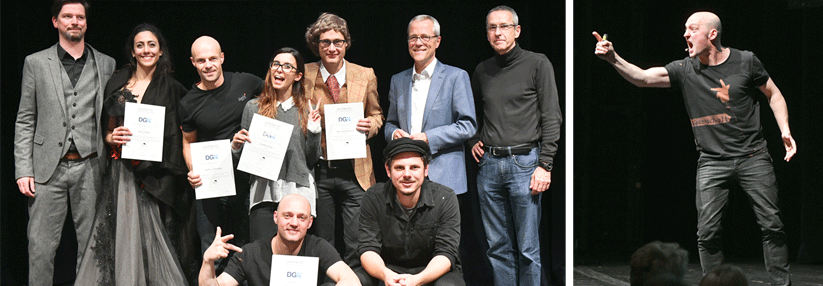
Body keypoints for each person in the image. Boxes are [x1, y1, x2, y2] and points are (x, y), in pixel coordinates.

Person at [593, 11, 794, 286]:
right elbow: (643, 77)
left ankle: (781, 284)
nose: (685, 34)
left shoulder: (746, 61)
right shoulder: (685, 69)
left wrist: (784, 130)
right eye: (685, 29)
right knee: (707, 233)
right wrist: (613, 58)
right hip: (712, 160)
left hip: (752, 156)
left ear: (712, 34)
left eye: (692, 29)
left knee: (772, 225)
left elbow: (774, 93)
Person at [74, 23, 190, 285]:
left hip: (154, 174)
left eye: (152, 45)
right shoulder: (117, 81)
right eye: (140, 45)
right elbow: (107, 128)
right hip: (121, 172)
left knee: (151, 235)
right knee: (123, 233)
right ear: (133, 51)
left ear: (161, 51)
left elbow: (177, 136)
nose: (146, 50)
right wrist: (110, 137)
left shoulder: (173, 89)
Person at [13, 0, 115, 284]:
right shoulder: (35, 62)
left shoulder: (106, 63)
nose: (75, 21)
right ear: (55, 22)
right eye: (67, 16)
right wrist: (23, 169)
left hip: (91, 165)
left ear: (86, 22)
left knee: (93, 246)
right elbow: (25, 118)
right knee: (41, 247)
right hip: (47, 169)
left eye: (80, 17)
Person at [469, 5, 562, 286]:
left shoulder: (537, 63)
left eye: (504, 27)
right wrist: (475, 139)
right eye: (492, 28)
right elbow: (471, 113)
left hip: (525, 163)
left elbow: (551, 116)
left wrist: (545, 165)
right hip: (489, 166)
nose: (498, 33)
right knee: (497, 248)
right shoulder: (482, 70)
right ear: (487, 34)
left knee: (528, 249)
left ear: (517, 31)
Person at [302, 12, 384, 270]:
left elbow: (377, 114)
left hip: (355, 170)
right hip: (320, 170)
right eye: (325, 42)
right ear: (317, 45)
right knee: (322, 241)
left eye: (338, 41)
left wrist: (370, 125)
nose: (332, 48)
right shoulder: (304, 74)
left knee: (357, 242)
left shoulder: (365, 74)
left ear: (346, 43)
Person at [180, 35, 264, 270]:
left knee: (245, 245)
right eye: (201, 60)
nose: (208, 65)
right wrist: (192, 170)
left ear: (222, 58)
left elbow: (275, 98)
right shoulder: (188, 103)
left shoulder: (246, 83)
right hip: (210, 183)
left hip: (245, 178)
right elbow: (187, 142)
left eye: (213, 58)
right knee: (212, 247)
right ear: (193, 63)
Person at [231, 47, 322, 241]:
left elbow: (311, 160)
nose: (279, 69)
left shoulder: (306, 108)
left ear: (297, 76)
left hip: (297, 190)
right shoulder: (253, 108)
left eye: (287, 66)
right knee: (262, 255)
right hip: (264, 192)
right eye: (276, 64)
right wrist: (237, 147)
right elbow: (245, 162)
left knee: (295, 256)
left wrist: (315, 131)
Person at [359, 137, 464, 286]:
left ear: (426, 169)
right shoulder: (373, 197)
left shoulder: (445, 198)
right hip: (387, 270)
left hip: (431, 271)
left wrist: (417, 280)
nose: (407, 174)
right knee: (356, 280)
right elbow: (367, 249)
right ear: (388, 170)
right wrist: (386, 275)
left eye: (414, 167)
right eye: (399, 168)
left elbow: (446, 253)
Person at [198, 194, 361, 286]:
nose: (294, 223)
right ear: (276, 217)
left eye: (301, 218)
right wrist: (207, 261)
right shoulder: (250, 253)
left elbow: (351, 280)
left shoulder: (318, 248)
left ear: (310, 223)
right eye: (288, 216)